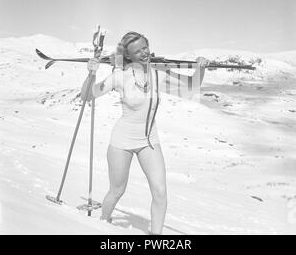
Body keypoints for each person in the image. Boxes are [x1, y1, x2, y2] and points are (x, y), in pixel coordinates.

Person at [81, 31, 210, 234]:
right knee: (117, 191)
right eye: (137, 51)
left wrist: (201, 68)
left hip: (149, 141)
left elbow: (191, 87)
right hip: (122, 141)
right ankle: (102, 224)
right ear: (128, 55)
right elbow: (88, 95)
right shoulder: (119, 77)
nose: (144, 53)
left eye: (145, 47)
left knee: (160, 192)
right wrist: (91, 73)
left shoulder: (157, 74)